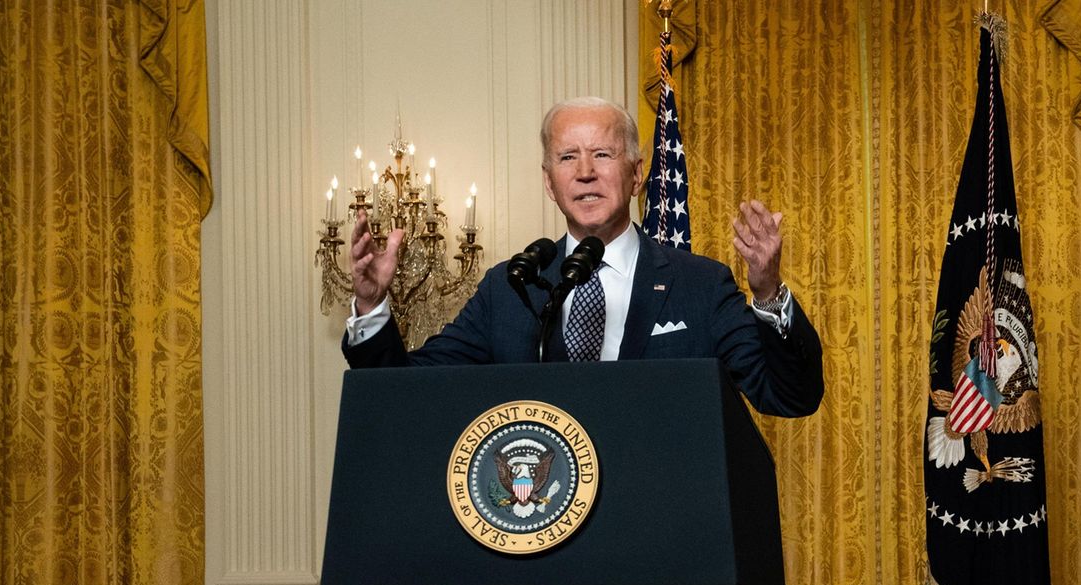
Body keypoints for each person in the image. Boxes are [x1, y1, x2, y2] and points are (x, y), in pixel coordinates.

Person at [340, 97, 824, 418]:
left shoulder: (700, 285)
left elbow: (789, 396)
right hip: (541, 540)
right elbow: (401, 393)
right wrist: (371, 307)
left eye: (603, 155)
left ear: (637, 176)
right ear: (550, 183)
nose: (586, 172)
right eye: (568, 157)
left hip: (661, 545)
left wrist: (768, 291)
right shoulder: (509, 288)